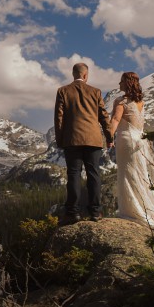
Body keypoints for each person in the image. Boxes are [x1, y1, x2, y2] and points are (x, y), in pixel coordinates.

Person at [54, 63, 113, 223]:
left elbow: (59, 119)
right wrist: (109, 137)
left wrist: (60, 140)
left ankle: (73, 213)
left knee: (74, 174)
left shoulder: (63, 91)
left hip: (72, 139)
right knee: (93, 173)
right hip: (93, 139)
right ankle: (96, 212)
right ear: (86, 75)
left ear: (73, 74)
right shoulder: (95, 92)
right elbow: (103, 116)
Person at [109, 71, 154, 228]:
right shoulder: (140, 102)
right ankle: (145, 207)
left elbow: (115, 120)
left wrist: (108, 137)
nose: (119, 84)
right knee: (140, 174)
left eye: (121, 81)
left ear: (126, 83)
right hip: (140, 140)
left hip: (126, 140)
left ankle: (132, 210)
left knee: (127, 174)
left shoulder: (121, 102)